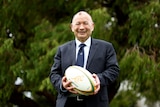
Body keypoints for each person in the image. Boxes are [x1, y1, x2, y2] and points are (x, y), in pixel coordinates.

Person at [49, 11, 120, 107]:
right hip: (67, 102)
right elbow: (54, 74)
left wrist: (98, 79)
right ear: (72, 27)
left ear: (92, 26)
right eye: (78, 24)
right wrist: (62, 84)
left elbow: (113, 70)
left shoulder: (106, 47)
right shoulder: (62, 50)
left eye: (85, 23)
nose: (81, 27)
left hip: (96, 103)